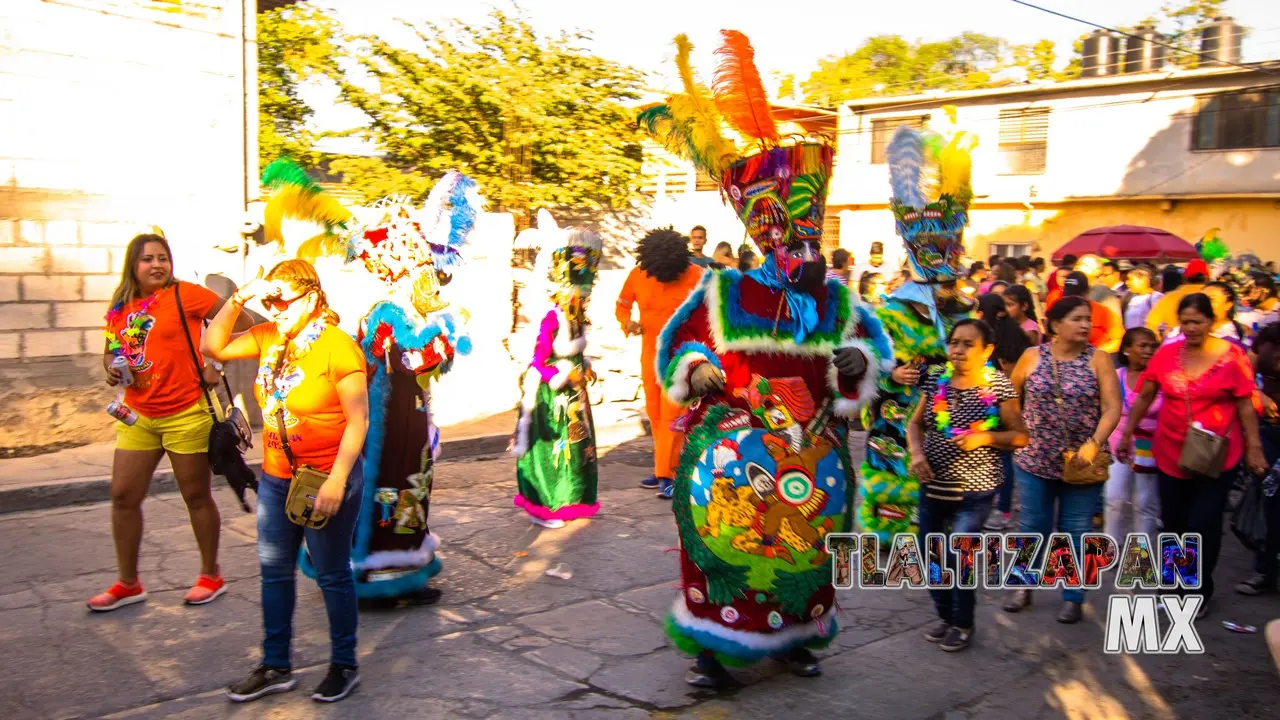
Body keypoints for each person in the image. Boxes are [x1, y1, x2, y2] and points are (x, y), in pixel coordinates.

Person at [641, 38, 893, 687]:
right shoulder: (723, 291)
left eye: (805, 230)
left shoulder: (837, 298)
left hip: (810, 453)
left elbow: (871, 361)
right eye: (783, 229)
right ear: (760, 230)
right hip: (733, 454)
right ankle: (715, 650)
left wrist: (854, 364)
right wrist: (697, 370)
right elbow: (680, 344)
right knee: (725, 548)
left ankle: (798, 639)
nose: (795, 242)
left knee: (804, 552)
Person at [204, 259, 370, 704]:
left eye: (283, 299)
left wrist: (337, 482)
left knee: (332, 574)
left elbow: (359, 421)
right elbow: (213, 345)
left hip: (327, 476)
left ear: (312, 298)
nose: (274, 307)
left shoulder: (338, 347)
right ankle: (276, 665)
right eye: (269, 300)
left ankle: (344, 664)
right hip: (278, 478)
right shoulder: (269, 335)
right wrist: (240, 297)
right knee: (274, 573)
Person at [89, 232, 249, 612]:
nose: (157, 265)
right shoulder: (120, 304)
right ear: (134, 265)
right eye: (148, 259)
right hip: (137, 416)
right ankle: (128, 583)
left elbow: (241, 322)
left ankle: (211, 575)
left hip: (185, 412)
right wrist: (111, 368)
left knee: (195, 496)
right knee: (123, 495)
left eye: (163, 258)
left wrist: (216, 362)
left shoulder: (187, 294)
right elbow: (111, 352)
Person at [860, 121, 979, 544]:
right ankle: (898, 545)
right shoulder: (890, 310)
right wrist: (892, 374)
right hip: (899, 415)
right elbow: (863, 359)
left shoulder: (964, 310)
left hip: (952, 415)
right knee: (900, 489)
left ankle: (942, 544)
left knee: (950, 496)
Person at [1119, 293, 1267, 615]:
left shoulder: (1232, 356)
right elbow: (1146, 394)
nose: (1190, 328)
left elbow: (1244, 403)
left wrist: (1254, 447)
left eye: (1197, 322)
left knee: (1202, 524)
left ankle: (1198, 590)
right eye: (1184, 321)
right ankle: (1173, 584)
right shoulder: (1167, 353)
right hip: (1171, 450)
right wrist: (1127, 432)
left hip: (1217, 452)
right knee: (1174, 522)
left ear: (1210, 322)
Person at [908, 319, 1027, 651]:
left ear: (987, 350)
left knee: (961, 553)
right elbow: (915, 424)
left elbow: (1020, 435)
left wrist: (985, 436)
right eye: (954, 342)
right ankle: (945, 616)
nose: (958, 350)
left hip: (975, 490)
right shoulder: (935, 381)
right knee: (930, 554)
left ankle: (963, 623)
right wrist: (917, 453)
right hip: (932, 484)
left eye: (967, 344)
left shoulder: (999, 385)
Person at [1005, 296, 1123, 624]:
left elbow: (1113, 407)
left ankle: (1073, 596)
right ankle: (1023, 585)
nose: (1085, 325)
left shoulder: (1099, 359)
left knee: (1076, 530)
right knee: (1033, 526)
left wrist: (1094, 443)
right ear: (1055, 325)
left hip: (1083, 461)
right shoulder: (1031, 357)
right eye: (1076, 319)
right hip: (1034, 460)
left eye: (1087, 319)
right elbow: (1010, 398)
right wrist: (1018, 433)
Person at [512, 222, 603, 526]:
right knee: (553, 453)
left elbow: (577, 353)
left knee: (577, 451)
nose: (583, 300)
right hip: (552, 399)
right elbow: (538, 362)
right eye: (579, 294)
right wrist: (566, 375)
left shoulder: (578, 319)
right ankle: (545, 506)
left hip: (573, 399)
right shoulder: (552, 318)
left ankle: (570, 500)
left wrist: (585, 367)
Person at [616, 227, 706, 498]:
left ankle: (667, 475)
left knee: (674, 415)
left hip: (682, 357)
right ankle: (664, 468)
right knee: (654, 413)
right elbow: (621, 305)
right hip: (649, 356)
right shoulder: (638, 274)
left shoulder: (696, 275)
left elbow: (709, 311)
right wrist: (627, 322)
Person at [1105, 327, 1163, 555]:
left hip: (1150, 447)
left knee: (1145, 504)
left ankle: (1141, 554)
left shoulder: (1161, 380)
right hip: (1118, 445)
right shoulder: (1116, 376)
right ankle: (1111, 547)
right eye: (1142, 346)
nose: (1148, 350)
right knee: (1114, 498)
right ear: (1127, 350)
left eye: (1152, 346)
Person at [976, 294, 1031, 532]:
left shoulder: (1004, 338)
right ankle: (997, 506)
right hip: (999, 401)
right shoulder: (1006, 332)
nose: (977, 315)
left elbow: (1010, 374)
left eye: (981, 310)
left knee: (1004, 458)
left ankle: (1002, 510)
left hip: (1002, 403)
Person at [1238, 322, 1280, 595]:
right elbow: (1242, 373)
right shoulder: (1270, 337)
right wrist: (1259, 394)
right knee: (1272, 500)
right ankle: (1265, 570)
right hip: (1271, 432)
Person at [1060, 271, 1123, 353]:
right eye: (1069, 296)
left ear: (1087, 293)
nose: (1073, 300)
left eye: (1077, 295)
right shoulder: (1059, 310)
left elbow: (1118, 339)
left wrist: (1096, 353)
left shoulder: (1103, 311)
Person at [1147, 259, 1209, 338]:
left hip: (1175, 343)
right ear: (1207, 278)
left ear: (1184, 278)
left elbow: (1151, 324)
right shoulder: (1213, 296)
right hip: (1209, 345)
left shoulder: (1169, 297)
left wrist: (1161, 343)